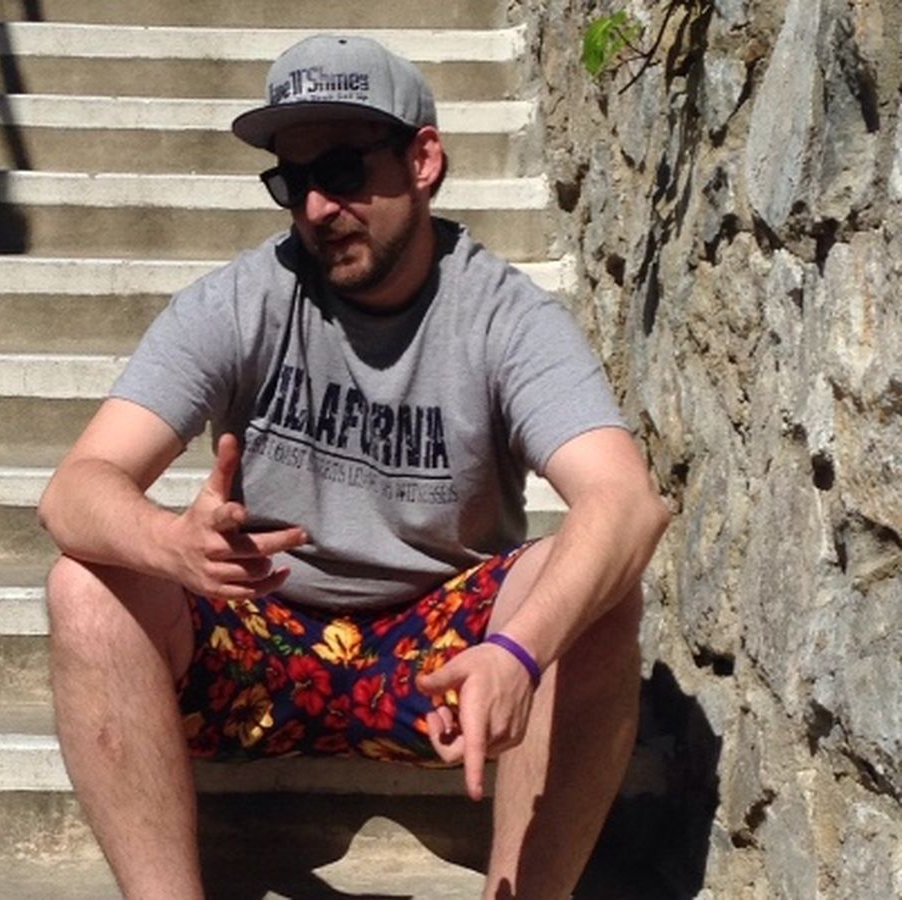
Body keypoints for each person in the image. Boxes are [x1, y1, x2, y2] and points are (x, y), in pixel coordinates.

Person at [38, 34, 669, 899]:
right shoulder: (240, 302)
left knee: (601, 591)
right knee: (85, 585)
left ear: (424, 160)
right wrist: (166, 543)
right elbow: (74, 491)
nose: (316, 206)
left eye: (341, 170)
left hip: (442, 660)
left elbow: (626, 502)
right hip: (261, 633)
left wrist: (518, 654)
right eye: (292, 181)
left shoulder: (504, 317)